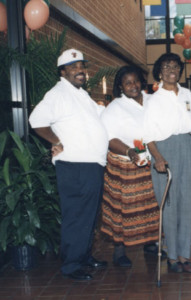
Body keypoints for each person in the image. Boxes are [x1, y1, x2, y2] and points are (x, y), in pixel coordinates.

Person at [29, 49, 109, 281]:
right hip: (75, 165)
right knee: (76, 215)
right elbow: (36, 121)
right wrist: (56, 141)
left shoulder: (81, 94)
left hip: (91, 164)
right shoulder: (57, 94)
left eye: (82, 66)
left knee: (89, 215)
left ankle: (83, 256)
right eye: (73, 67)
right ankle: (71, 265)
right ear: (62, 71)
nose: (80, 71)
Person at [144, 53, 191, 273]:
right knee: (170, 204)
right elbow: (147, 134)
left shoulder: (186, 93)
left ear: (180, 71)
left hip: (185, 146)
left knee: (186, 202)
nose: (171, 69)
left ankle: (184, 254)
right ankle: (172, 257)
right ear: (159, 72)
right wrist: (158, 158)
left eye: (175, 66)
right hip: (163, 150)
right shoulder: (154, 99)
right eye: (166, 66)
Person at [100, 66, 166, 267]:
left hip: (150, 163)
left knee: (151, 206)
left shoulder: (151, 100)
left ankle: (149, 242)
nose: (133, 86)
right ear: (121, 86)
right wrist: (129, 151)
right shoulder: (115, 108)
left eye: (136, 81)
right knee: (125, 209)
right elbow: (108, 138)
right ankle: (119, 251)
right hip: (125, 166)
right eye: (128, 83)